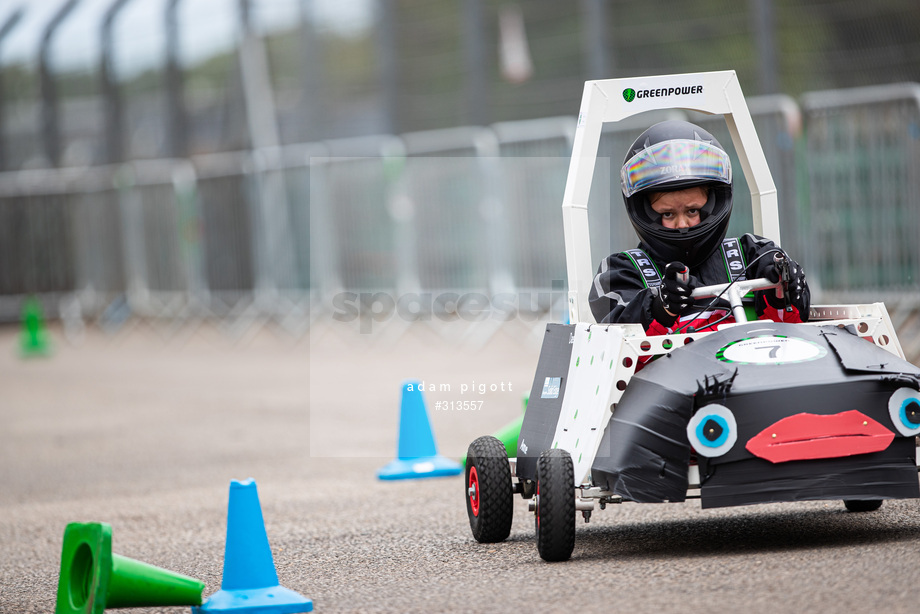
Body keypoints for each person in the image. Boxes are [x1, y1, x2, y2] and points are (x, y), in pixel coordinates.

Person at [588, 120, 809, 334]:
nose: (682, 224)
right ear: (647, 212)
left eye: (692, 211)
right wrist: (660, 306)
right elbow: (617, 334)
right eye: (668, 214)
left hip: (755, 367)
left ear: (712, 204)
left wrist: (783, 290)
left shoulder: (754, 254)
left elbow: (792, 328)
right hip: (670, 371)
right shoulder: (619, 272)